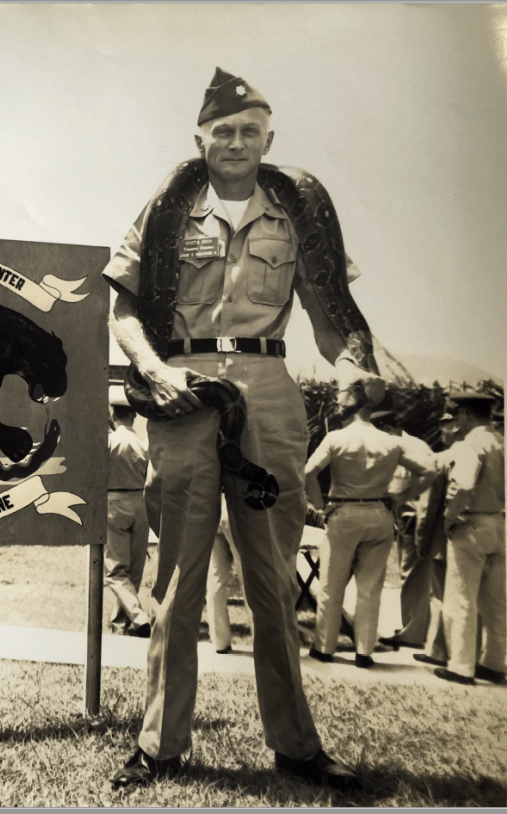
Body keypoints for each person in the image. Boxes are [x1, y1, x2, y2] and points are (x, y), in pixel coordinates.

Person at [103, 68, 384, 792]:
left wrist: (354, 365)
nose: (235, 142)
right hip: (183, 392)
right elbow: (124, 310)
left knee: (271, 580)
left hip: (268, 391)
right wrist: (152, 368)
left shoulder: (300, 212)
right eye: (222, 131)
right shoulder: (168, 209)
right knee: (177, 582)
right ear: (200, 137)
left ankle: (296, 746)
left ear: (269, 139)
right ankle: (160, 745)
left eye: (250, 131)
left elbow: (334, 321)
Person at [304, 407, 435, 668]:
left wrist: (319, 507)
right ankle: (364, 651)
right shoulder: (393, 441)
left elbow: (308, 472)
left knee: (331, 586)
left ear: (350, 412)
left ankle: (324, 647)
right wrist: (402, 497)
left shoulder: (336, 438)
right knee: (370, 589)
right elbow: (430, 471)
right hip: (379, 513)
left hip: (343, 512)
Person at [434, 392, 506, 686]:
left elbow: (462, 484)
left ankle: (461, 667)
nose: (455, 422)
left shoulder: (469, 445)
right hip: (500, 524)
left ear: (465, 414)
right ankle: (494, 663)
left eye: (457, 415)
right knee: (496, 602)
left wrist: (450, 516)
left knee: (461, 597)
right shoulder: (501, 441)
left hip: (471, 523)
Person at [377, 415, 442, 650]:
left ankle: (413, 633)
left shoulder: (414, 447)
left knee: (412, 573)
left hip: (414, 516)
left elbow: (428, 488)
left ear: (388, 428)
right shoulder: (398, 446)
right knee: (409, 573)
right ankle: (413, 628)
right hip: (402, 516)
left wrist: (422, 526)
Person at [412, 412, 464, 668]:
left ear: (455, 427)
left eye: (444, 426)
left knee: (441, 595)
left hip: (444, 539)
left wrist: (421, 538)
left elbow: (428, 507)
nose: (441, 432)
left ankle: (438, 650)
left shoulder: (441, 459)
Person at [106, 402, 152, 637]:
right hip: (140, 502)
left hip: (114, 501)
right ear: (134, 416)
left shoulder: (109, 441)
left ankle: (139, 617)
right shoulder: (143, 444)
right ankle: (119, 624)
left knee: (115, 571)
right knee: (133, 571)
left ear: (113, 415)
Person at [205, 513, 247, 654]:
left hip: (213, 511)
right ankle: (262, 641)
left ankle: (220, 641)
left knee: (216, 580)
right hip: (237, 511)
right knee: (250, 580)